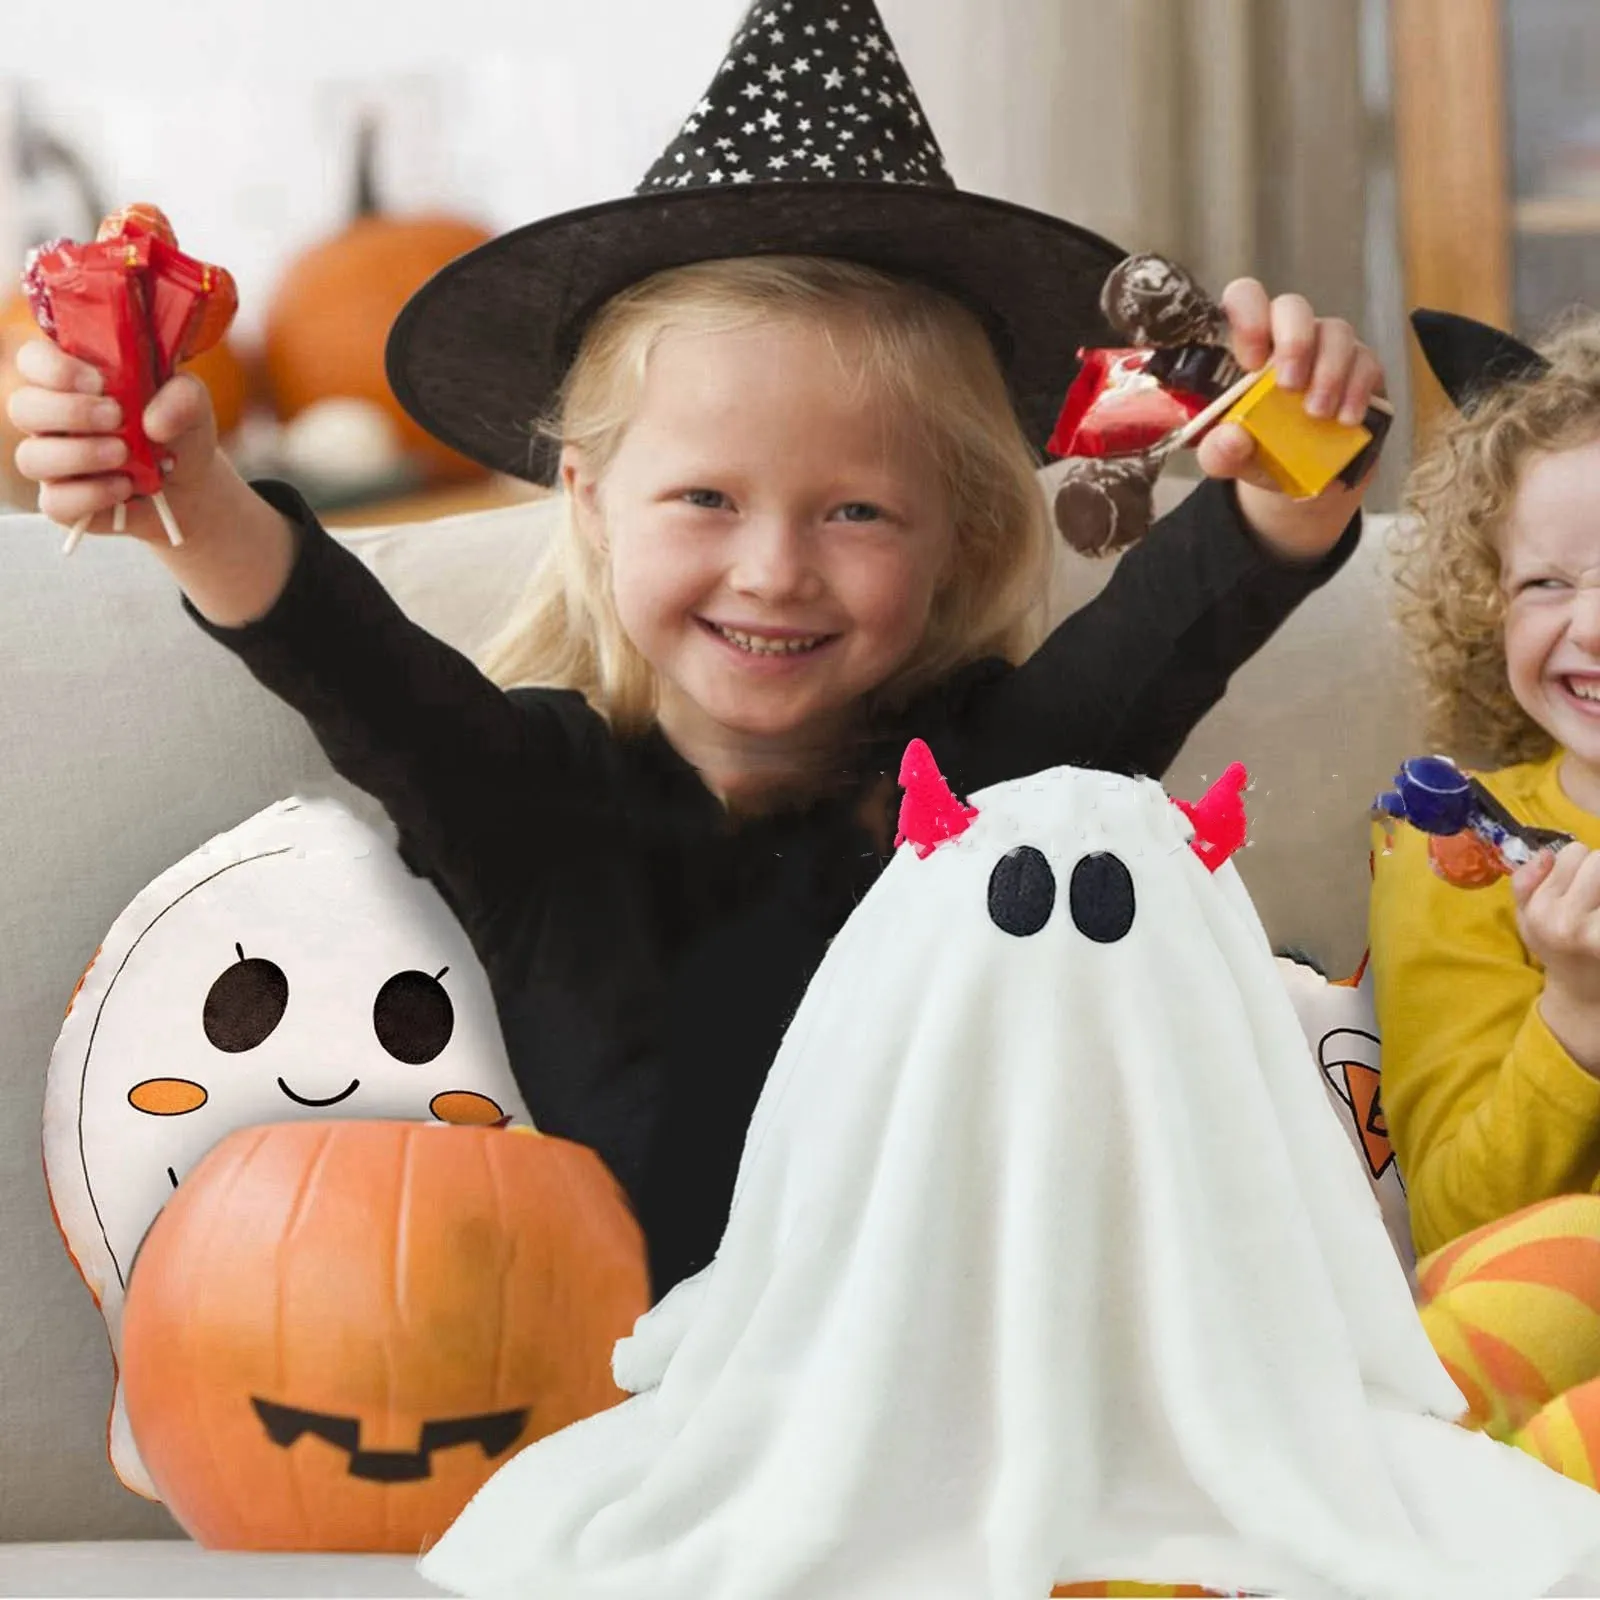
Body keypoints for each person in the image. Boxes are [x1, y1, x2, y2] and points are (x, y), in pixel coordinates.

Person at [11, 0, 1382, 1303]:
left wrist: (1293, 478)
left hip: (962, 1397)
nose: (774, 569)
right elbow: (351, 660)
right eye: (707, 498)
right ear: (589, 502)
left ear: (958, 537)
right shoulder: (532, 805)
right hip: (626, 1408)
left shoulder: (999, 789)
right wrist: (187, 493)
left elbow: (1165, 634)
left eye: (855, 512)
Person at [1371, 308, 1600, 1458]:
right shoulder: (1450, 843)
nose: (1590, 627)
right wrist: (1575, 1013)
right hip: (1546, 1307)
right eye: (1544, 583)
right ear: (1485, 604)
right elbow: (1458, 1222)